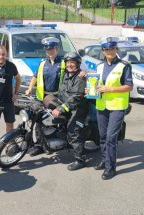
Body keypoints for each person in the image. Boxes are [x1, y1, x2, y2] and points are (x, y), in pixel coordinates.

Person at [91, 38, 133, 180]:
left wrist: (108, 89)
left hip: (117, 106)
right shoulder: (99, 66)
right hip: (102, 105)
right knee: (102, 136)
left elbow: (129, 86)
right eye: (106, 49)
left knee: (110, 137)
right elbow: (97, 85)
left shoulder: (124, 66)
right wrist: (90, 89)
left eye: (112, 49)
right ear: (103, 51)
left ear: (116, 50)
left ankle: (111, 168)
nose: (109, 51)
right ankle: (104, 160)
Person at [46, 52, 89, 171]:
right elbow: (62, 93)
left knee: (72, 131)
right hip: (65, 104)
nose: (69, 65)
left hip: (78, 108)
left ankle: (80, 159)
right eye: (68, 62)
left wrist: (60, 108)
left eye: (72, 63)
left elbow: (76, 98)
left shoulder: (80, 78)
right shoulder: (65, 74)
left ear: (78, 64)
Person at [25, 37, 65, 156]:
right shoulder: (43, 63)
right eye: (48, 50)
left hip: (58, 97)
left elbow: (75, 71)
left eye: (52, 49)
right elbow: (35, 77)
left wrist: (83, 72)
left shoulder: (63, 62)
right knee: (39, 121)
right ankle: (39, 145)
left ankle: (57, 143)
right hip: (43, 97)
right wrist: (30, 88)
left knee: (57, 121)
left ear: (57, 49)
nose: (50, 51)